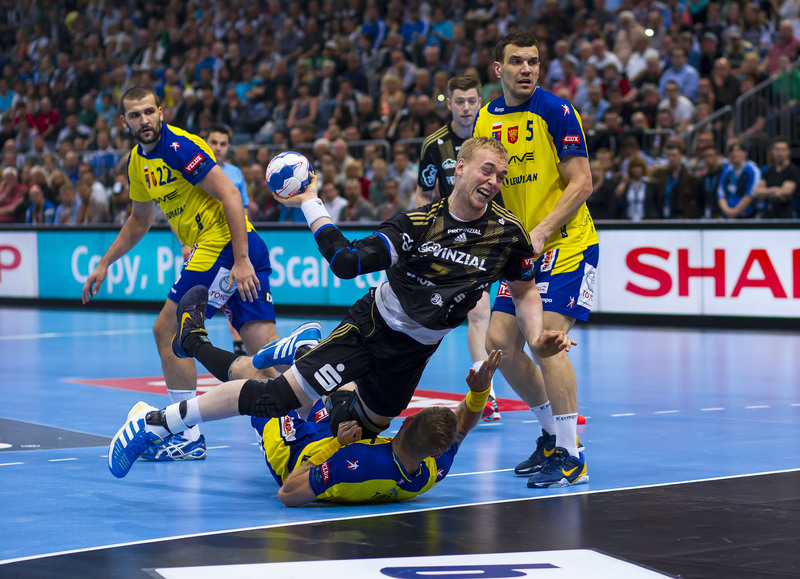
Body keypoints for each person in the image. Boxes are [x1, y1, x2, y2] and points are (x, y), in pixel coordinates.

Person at [107, 137, 575, 481]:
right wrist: (311, 201)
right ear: (461, 167)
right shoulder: (416, 225)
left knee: (359, 427)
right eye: (487, 170)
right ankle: (157, 423)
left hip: (413, 356)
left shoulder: (508, 235)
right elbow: (346, 262)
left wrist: (536, 336)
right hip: (370, 330)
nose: (493, 181)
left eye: (500, 176)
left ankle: (290, 353)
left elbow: (524, 291)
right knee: (278, 399)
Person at [81, 87, 283, 464]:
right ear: (124, 122)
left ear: (161, 111)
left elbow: (230, 195)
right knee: (265, 347)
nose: (144, 120)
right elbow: (140, 219)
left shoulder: (179, 147)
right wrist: (105, 262)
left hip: (225, 243)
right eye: (135, 115)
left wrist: (241, 260)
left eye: (149, 111)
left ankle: (187, 436)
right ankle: (312, 412)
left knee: (168, 329)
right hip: (237, 245)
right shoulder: (138, 163)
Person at [112, 348, 505, 506]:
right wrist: (479, 391)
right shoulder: (435, 466)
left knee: (259, 381)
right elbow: (463, 425)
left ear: (406, 425)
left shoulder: (359, 464)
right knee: (340, 389)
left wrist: (337, 447)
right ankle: (303, 355)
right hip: (337, 439)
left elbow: (288, 492)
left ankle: (191, 348)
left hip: (294, 451)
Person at [472, 30, 597, 488]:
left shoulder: (557, 111)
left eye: (533, 61)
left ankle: (572, 456)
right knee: (499, 346)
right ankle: (551, 438)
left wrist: (541, 231)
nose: (526, 69)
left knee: (545, 341)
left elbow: (582, 182)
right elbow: (485, 185)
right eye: (517, 61)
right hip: (522, 251)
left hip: (567, 243)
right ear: (498, 69)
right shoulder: (486, 119)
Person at [412, 74, 499, 421]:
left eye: (472, 101)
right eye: (459, 101)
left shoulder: (493, 138)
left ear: (480, 102)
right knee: (452, 313)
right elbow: (423, 193)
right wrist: (421, 234)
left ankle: (486, 394)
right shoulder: (434, 145)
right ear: (449, 104)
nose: (466, 108)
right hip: (450, 236)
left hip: (492, 234)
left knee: (481, 312)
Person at [206, 124, 254, 356]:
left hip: (232, 242)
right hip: (206, 240)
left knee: (234, 291)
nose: (218, 147)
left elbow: (243, 209)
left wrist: (245, 240)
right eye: (214, 142)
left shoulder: (235, 173)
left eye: (223, 144)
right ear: (206, 143)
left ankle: (239, 347)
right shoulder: (197, 169)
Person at [753, 136, 800, 219]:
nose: (780, 153)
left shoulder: (792, 170)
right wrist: (775, 192)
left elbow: (787, 191)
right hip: (768, 215)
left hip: (786, 217)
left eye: (783, 150)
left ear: (788, 152)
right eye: (777, 150)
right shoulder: (768, 171)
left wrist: (766, 193)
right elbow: (757, 191)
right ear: (772, 151)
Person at [718, 138, 761, 219]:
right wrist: (727, 211)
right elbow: (721, 195)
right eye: (731, 151)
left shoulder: (752, 170)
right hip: (728, 217)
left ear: (745, 153)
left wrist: (736, 211)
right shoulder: (726, 172)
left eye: (738, 150)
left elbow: (751, 193)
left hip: (748, 217)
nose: (734, 154)